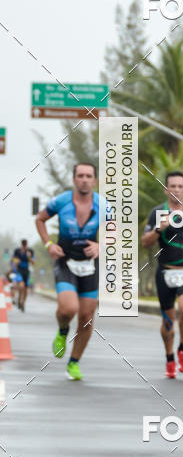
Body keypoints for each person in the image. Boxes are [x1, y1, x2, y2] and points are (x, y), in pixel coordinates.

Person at [141, 171, 183, 378]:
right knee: (168, 322)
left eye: (180, 186)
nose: (177, 189)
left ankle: (182, 348)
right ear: (166, 189)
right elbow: (145, 241)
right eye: (173, 186)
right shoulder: (157, 213)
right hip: (165, 273)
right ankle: (169, 357)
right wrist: (159, 229)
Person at [35, 163, 100, 380]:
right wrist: (48, 245)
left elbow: (115, 230)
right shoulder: (61, 201)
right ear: (74, 179)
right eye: (80, 175)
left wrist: (102, 246)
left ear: (95, 180)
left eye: (88, 176)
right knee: (68, 309)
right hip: (65, 261)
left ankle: (74, 362)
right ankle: (63, 330)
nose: (84, 179)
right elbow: (40, 219)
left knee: (87, 317)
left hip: (90, 264)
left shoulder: (103, 204)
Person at [10, 239, 35, 311]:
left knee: (25, 289)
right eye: (23, 244)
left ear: (26, 244)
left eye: (25, 244)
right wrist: (16, 261)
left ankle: (23, 303)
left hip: (26, 271)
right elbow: (12, 260)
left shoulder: (30, 251)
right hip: (19, 270)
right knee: (21, 286)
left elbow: (33, 262)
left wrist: (29, 257)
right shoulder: (17, 251)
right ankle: (19, 300)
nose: (24, 246)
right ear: (21, 244)